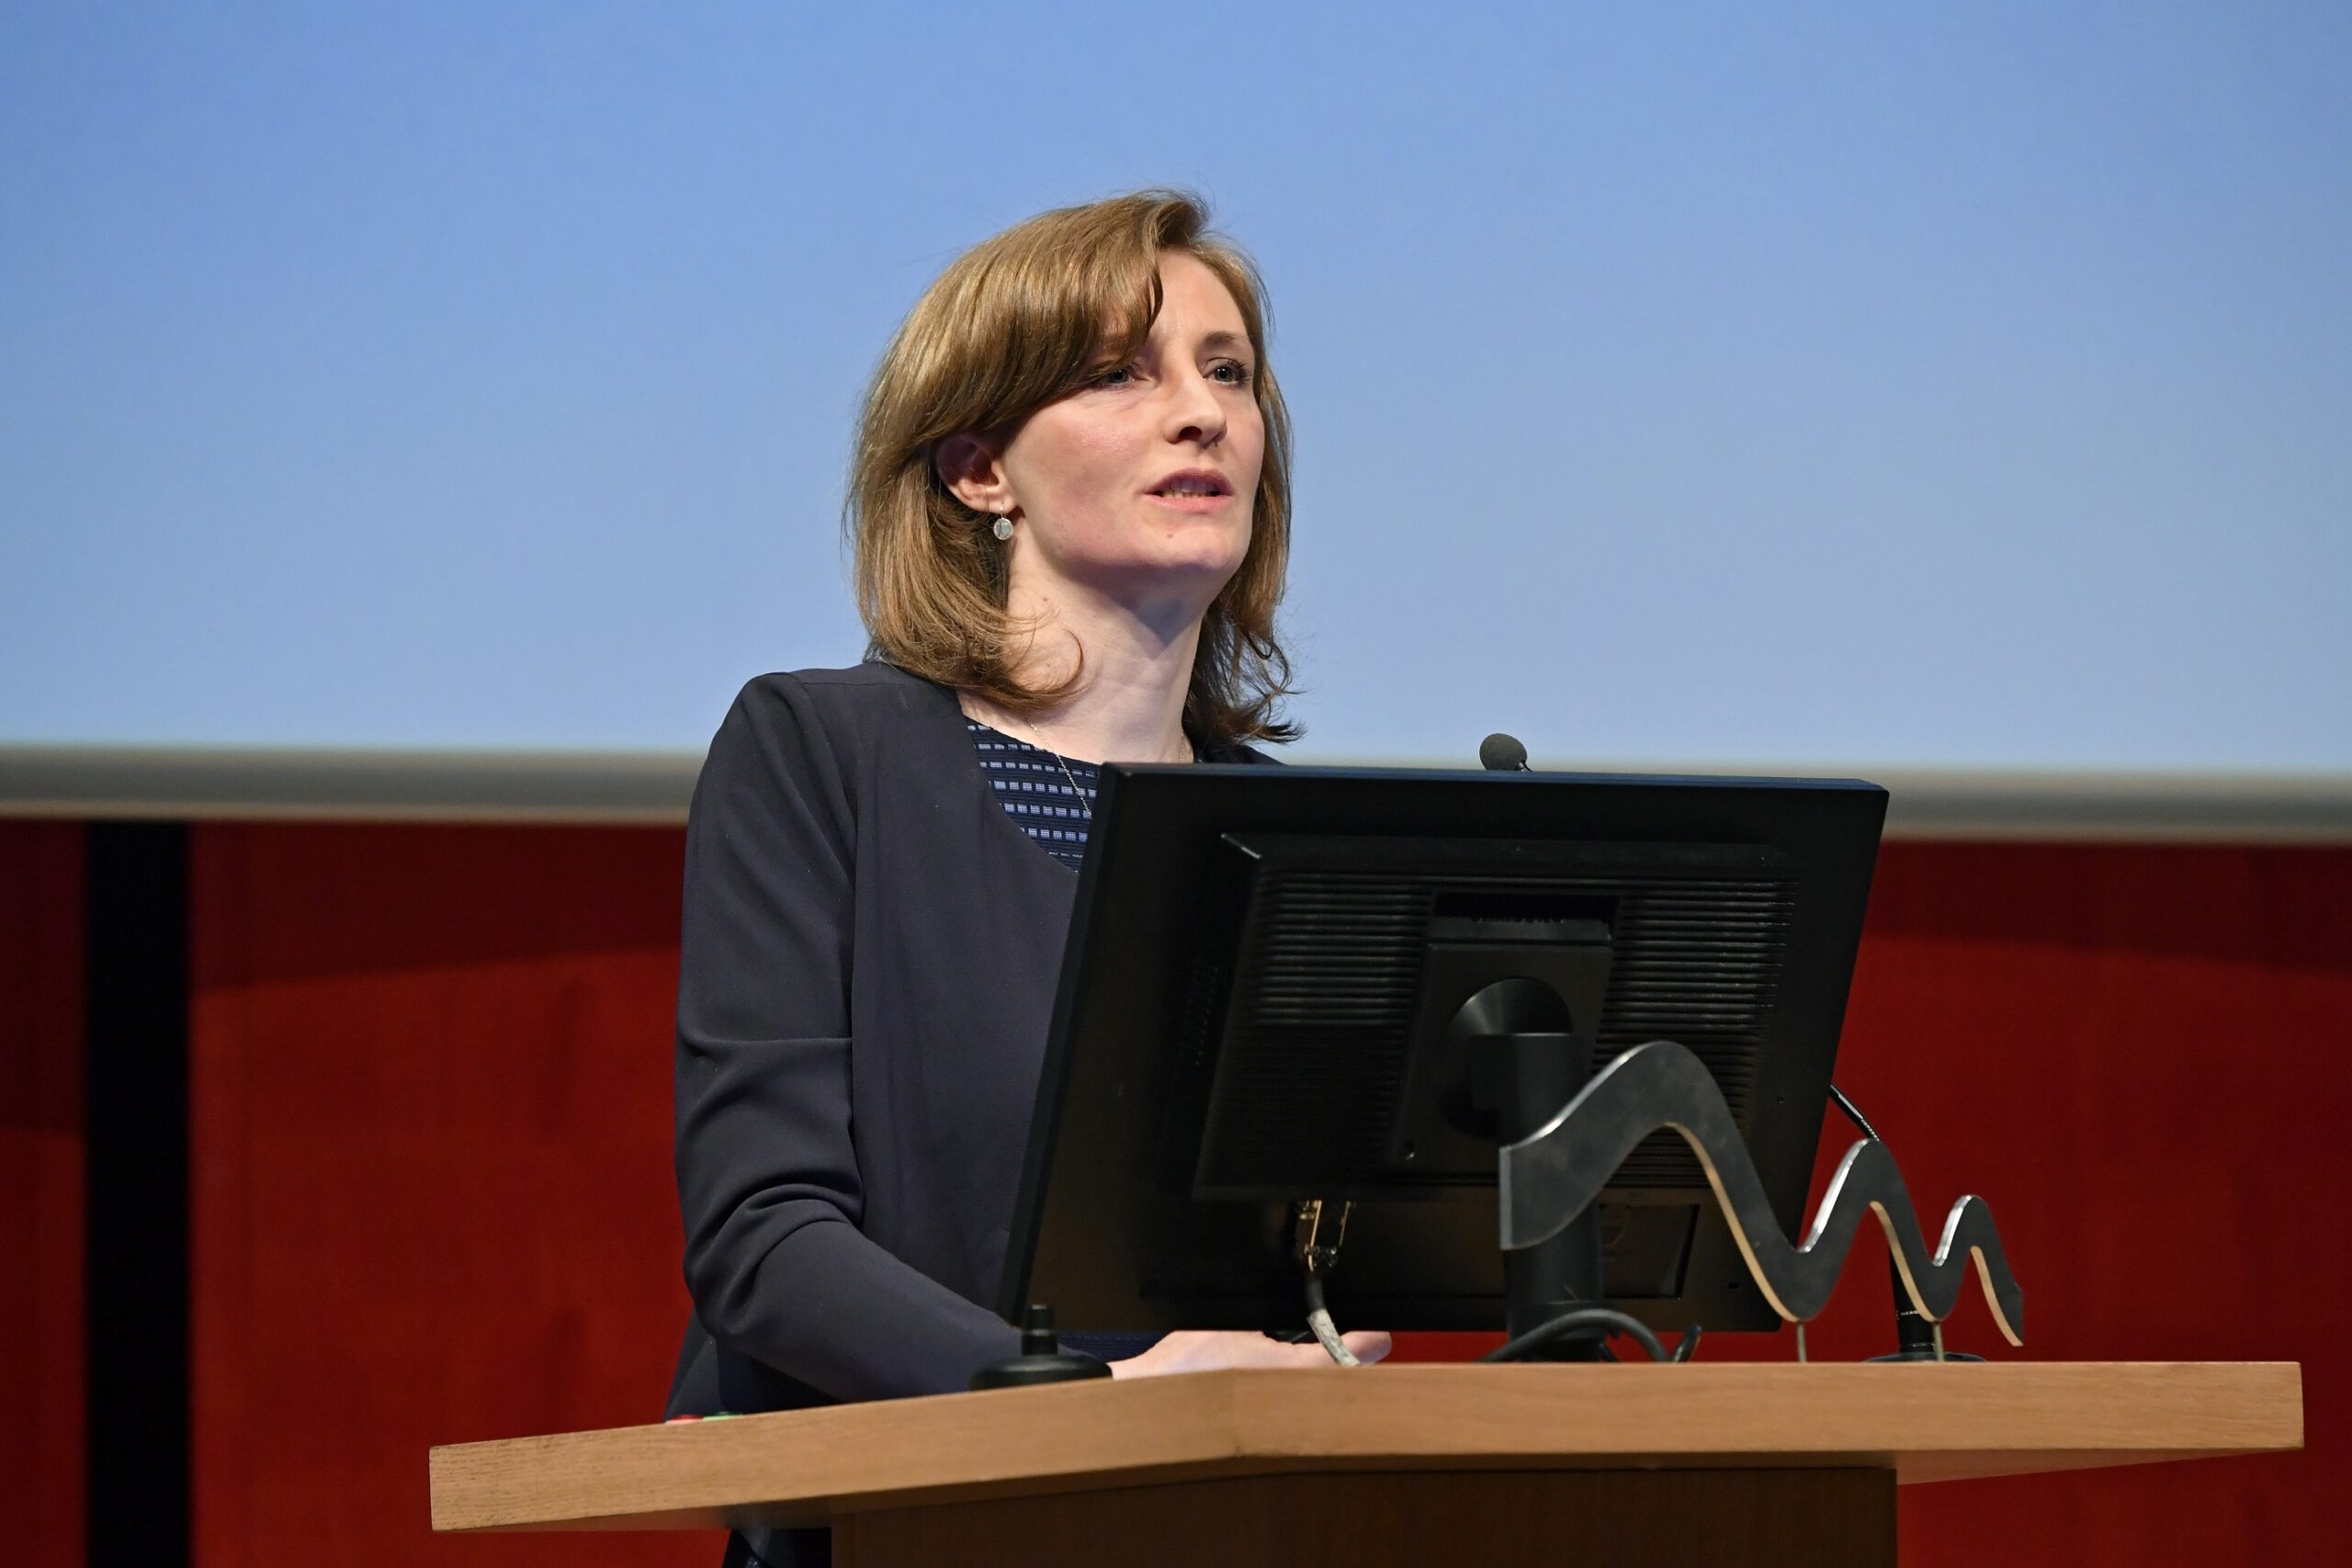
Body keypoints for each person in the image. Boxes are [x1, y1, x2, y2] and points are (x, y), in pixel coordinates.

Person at [665, 191, 1389, 1568]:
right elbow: (765, 1238)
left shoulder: (1295, 842)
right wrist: (1086, 1406)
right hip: (903, 1530)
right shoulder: (822, 755)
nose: (1203, 415)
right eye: (1123, 373)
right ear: (977, 469)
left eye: (1228, 372)